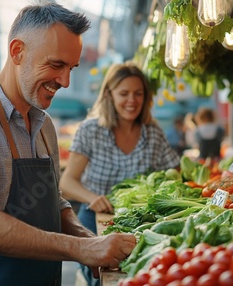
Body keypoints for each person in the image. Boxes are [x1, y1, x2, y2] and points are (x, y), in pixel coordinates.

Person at [0, 2, 136, 285]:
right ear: (17, 51)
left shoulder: (44, 125)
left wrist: (90, 240)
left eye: (71, 68)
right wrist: (82, 249)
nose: (64, 80)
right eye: (56, 65)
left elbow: (54, 201)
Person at [59, 62, 180, 286]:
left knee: (147, 276)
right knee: (104, 279)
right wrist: (92, 198)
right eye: (124, 93)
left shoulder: (152, 131)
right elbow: (66, 182)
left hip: (140, 223)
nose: (131, 101)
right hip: (96, 219)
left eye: (138, 94)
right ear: (109, 94)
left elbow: (175, 173)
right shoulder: (91, 130)